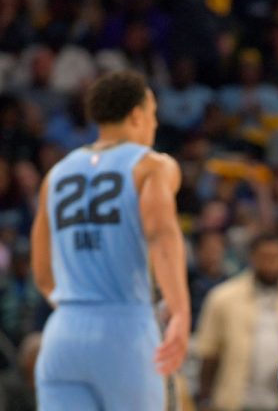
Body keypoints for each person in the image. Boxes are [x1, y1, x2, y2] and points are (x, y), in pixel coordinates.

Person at [30, 70, 190, 410]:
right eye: (153, 114)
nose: (155, 124)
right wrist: (179, 310)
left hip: (62, 334)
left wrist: (80, 310)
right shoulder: (152, 166)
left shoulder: (55, 175)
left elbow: (43, 273)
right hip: (125, 331)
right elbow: (161, 234)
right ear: (137, 115)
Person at [195, 234, 278, 411]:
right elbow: (209, 354)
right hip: (235, 402)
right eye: (265, 257)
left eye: (277, 257)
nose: (271, 263)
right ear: (253, 258)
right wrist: (205, 399)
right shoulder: (223, 297)